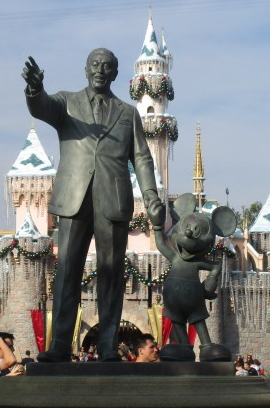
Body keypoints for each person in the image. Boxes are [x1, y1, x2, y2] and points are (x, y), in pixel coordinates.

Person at [21, 50, 166, 362]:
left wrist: (151, 195)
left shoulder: (128, 113)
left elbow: (141, 157)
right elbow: (41, 107)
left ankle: (109, 345)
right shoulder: (66, 103)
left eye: (108, 67)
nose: (101, 70)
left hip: (113, 198)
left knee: (112, 272)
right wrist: (34, 89)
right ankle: (59, 344)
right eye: (95, 65)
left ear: (115, 74)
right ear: (86, 69)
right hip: (74, 197)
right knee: (67, 271)